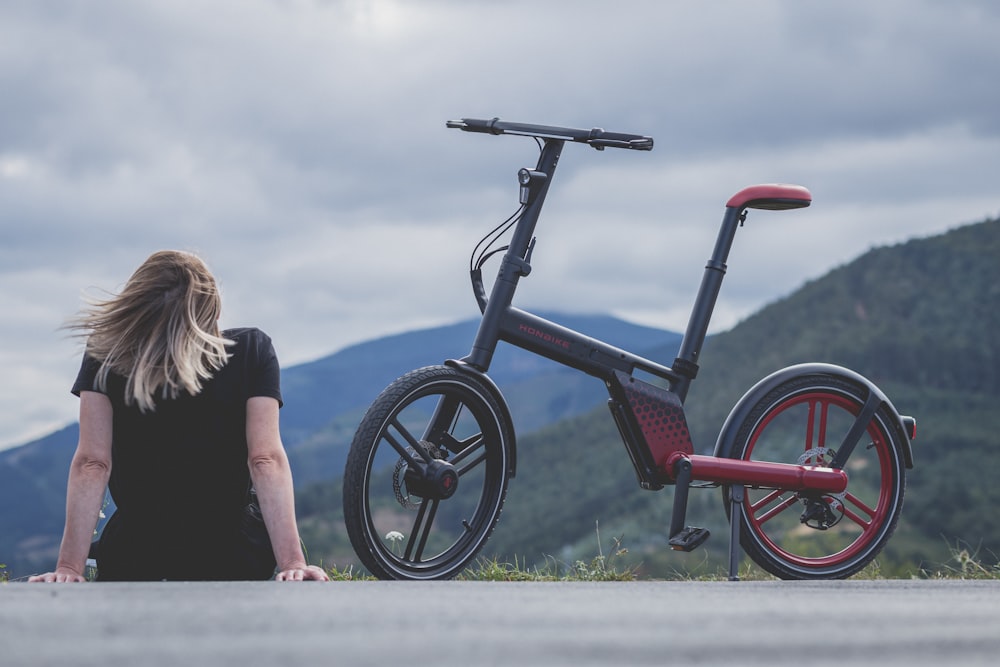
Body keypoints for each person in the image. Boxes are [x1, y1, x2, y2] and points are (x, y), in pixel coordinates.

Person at [29, 250, 328, 582]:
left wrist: (68, 569)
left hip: (137, 556)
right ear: (210, 306)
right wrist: (292, 564)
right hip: (234, 555)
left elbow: (92, 463)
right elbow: (265, 459)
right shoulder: (251, 351)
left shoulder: (105, 355)